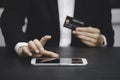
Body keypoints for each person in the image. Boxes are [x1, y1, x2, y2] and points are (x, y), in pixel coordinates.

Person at [0, 0, 114, 58]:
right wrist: (21, 45)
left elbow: (108, 34)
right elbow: (10, 19)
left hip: (88, 63)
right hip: (35, 59)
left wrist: (101, 40)